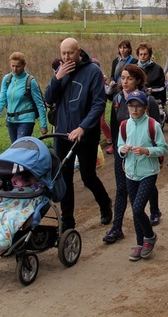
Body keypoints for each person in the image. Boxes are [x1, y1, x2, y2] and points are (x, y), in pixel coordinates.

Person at [44, 38, 113, 230]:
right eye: (63, 53)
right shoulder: (61, 70)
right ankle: (68, 221)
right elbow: (48, 98)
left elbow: (99, 104)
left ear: (79, 51)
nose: (66, 57)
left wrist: (83, 127)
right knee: (64, 177)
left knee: (87, 176)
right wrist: (57, 78)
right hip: (62, 133)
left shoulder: (93, 72)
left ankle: (105, 204)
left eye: (70, 53)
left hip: (85, 134)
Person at [104, 65, 163, 245]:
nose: (125, 82)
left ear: (138, 80)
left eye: (129, 78)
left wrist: (154, 155)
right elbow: (116, 128)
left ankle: (154, 210)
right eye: (122, 78)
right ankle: (117, 227)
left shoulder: (148, 102)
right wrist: (119, 149)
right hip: (125, 153)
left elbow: (155, 129)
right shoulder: (118, 100)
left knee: (147, 184)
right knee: (122, 189)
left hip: (146, 157)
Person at [117, 90, 168, 261]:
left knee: (138, 208)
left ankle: (150, 236)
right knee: (135, 211)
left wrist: (147, 151)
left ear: (145, 108)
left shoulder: (153, 125)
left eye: (138, 106)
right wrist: (122, 150)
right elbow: (119, 145)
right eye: (131, 106)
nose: (134, 110)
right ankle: (140, 244)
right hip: (130, 172)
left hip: (149, 172)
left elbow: (163, 148)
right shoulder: (124, 125)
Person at [0, 171, 44, 256]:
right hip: (11, 202)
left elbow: (38, 197)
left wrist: (35, 185)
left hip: (22, 206)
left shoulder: (38, 187)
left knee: (10, 219)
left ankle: (0, 241)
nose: (31, 180)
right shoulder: (17, 180)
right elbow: (11, 190)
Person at [0, 51, 48, 143]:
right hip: (11, 120)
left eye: (18, 66)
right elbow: (1, 100)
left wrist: (43, 125)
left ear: (24, 65)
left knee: (20, 147)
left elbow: (40, 104)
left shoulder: (30, 81)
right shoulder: (7, 79)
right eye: (12, 66)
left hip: (26, 119)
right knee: (15, 150)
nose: (15, 69)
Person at [136, 42, 165, 107]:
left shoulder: (157, 68)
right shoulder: (134, 68)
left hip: (154, 101)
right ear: (138, 55)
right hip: (137, 100)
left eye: (145, 54)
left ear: (149, 55)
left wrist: (152, 90)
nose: (143, 56)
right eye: (141, 54)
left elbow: (162, 87)